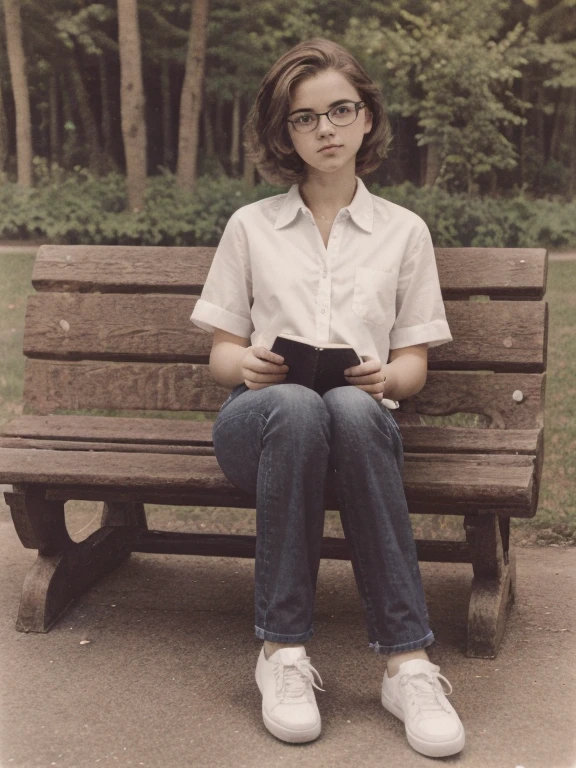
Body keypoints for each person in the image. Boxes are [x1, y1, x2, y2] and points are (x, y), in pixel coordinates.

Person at [190, 38, 465, 757]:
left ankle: (407, 667)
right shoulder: (252, 225)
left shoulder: (404, 232)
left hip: (358, 429)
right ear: (284, 133)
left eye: (341, 111)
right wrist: (244, 363)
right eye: (304, 118)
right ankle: (282, 653)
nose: (326, 130)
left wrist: (386, 380)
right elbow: (219, 351)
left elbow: (413, 367)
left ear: (367, 117)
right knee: (297, 405)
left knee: (343, 405)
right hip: (260, 427)